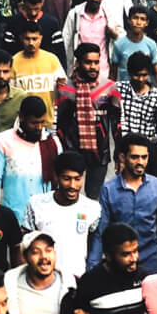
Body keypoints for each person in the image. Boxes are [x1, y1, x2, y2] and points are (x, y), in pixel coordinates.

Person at [90, 134, 157, 275]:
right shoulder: (109, 189)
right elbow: (101, 232)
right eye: (134, 157)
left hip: (151, 261)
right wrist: (92, 268)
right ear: (122, 157)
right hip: (120, 262)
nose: (140, 162)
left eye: (144, 157)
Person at [54, 42, 121, 199]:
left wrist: (119, 154)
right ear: (78, 63)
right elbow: (59, 126)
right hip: (72, 151)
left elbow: (117, 124)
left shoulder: (110, 88)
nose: (93, 67)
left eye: (96, 62)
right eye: (88, 62)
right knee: (69, 195)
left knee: (93, 198)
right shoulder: (65, 89)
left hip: (100, 153)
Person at [22, 153, 99, 284]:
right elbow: (25, 244)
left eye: (77, 179)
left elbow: (93, 246)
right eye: (66, 178)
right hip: (43, 281)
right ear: (56, 177)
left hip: (77, 281)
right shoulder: (36, 204)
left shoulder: (92, 209)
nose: (73, 185)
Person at [0, 95, 62, 221]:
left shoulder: (52, 143)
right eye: (34, 123)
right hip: (12, 217)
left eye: (42, 122)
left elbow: (60, 181)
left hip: (44, 218)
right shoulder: (3, 141)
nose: (39, 128)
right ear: (21, 117)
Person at [10, 20, 68, 126]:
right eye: (27, 39)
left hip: (48, 121)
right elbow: (11, 95)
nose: (31, 43)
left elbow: (63, 89)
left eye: (34, 39)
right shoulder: (14, 62)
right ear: (21, 38)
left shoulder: (52, 60)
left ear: (41, 38)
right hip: (24, 122)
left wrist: (61, 85)